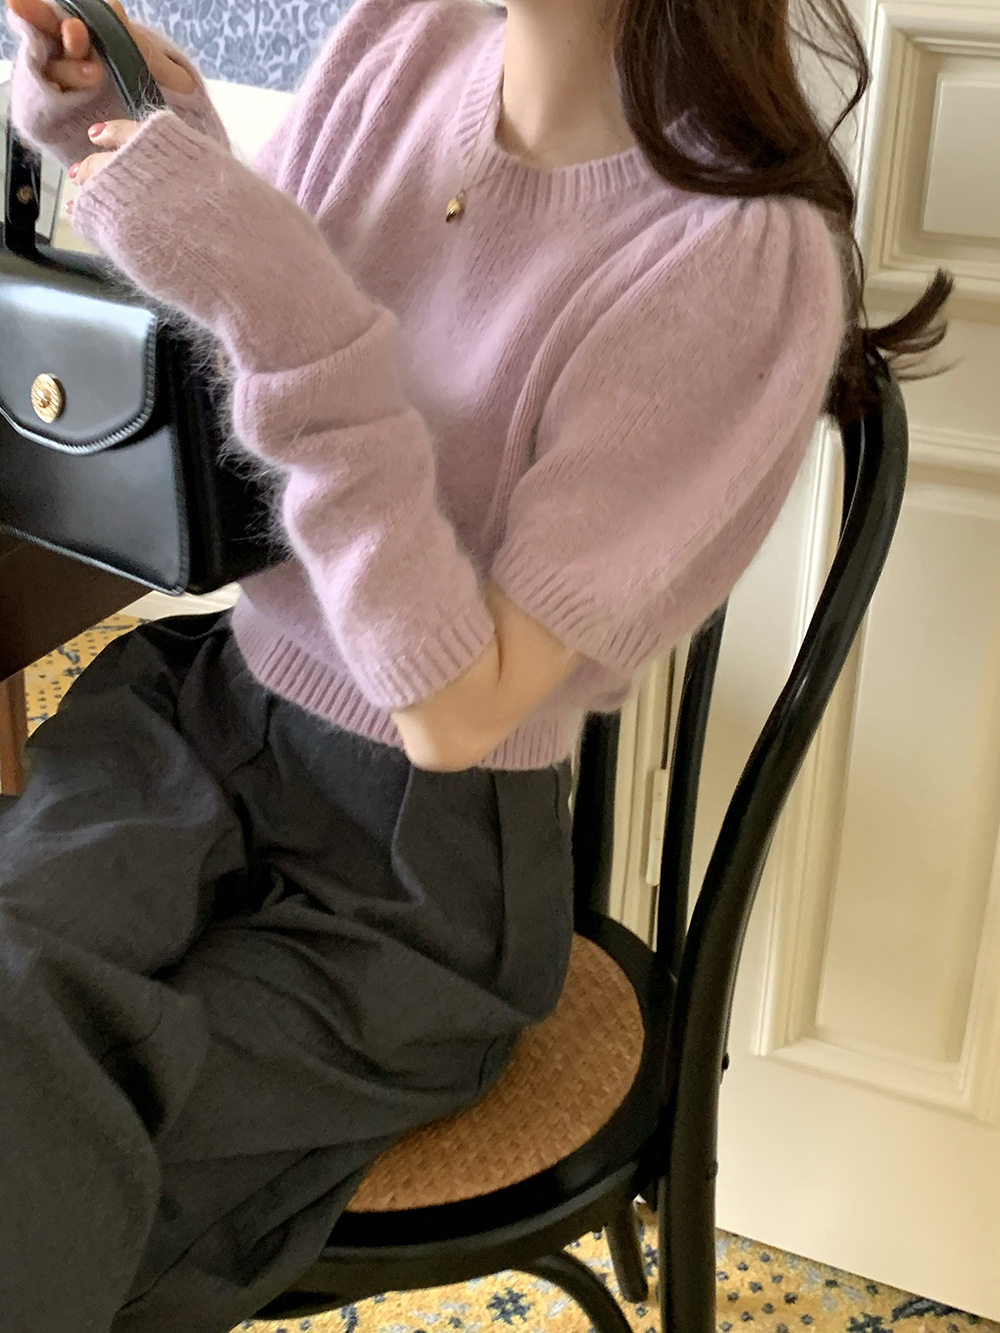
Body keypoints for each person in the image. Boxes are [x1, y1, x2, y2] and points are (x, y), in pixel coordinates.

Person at [0, 0, 951, 1327]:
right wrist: (153, 148)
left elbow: (458, 710)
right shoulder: (402, 41)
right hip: (207, 713)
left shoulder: (737, 258)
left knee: (47, 1139)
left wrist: (278, 303)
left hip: (412, 872)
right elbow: (262, 376)